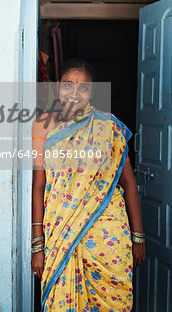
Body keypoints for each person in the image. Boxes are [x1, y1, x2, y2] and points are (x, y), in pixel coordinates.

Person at [31, 58, 145, 311]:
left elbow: (128, 181)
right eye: (68, 85)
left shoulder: (109, 125)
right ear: (57, 88)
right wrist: (37, 244)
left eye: (83, 87)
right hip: (61, 230)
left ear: (92, 91)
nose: (74, 93)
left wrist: (138, 238)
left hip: (108, 234)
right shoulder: (43, 124)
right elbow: (39, 185)